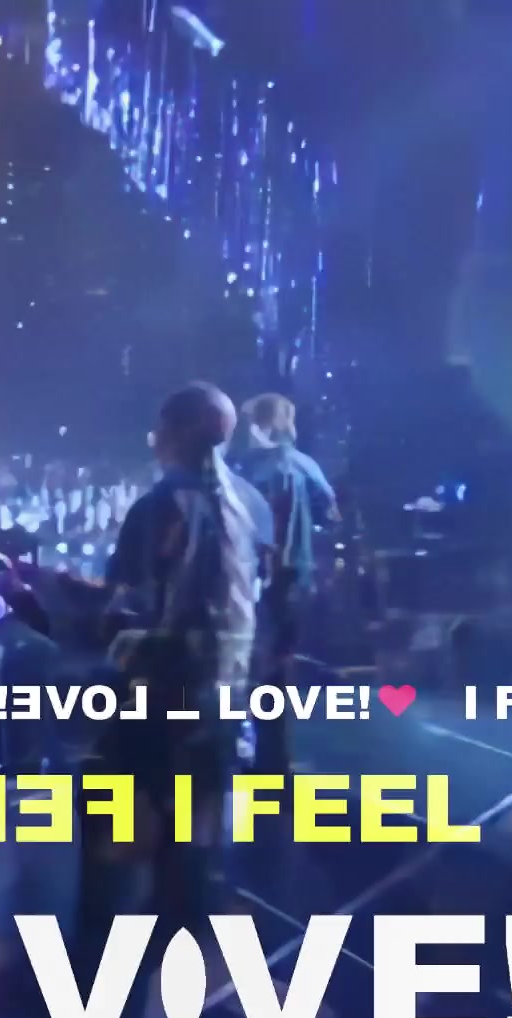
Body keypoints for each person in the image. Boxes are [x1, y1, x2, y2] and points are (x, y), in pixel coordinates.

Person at [92, 383, 266, 952]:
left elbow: (122, 606)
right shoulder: (251, 503)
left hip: (163, 697)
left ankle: (115, 961)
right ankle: (188, 936)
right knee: (198, 831)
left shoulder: (159, 507)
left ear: (169, 434)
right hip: (228, 695)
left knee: (129, 828)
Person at [230, 392, 338, 772]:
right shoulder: (306, 465)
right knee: (278, 664)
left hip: (250, 579)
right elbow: (331, 514)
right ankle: (275, 755)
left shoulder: (245, 470)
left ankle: (249, 746)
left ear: (258, 424)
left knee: (244, 661)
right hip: (296, 578)